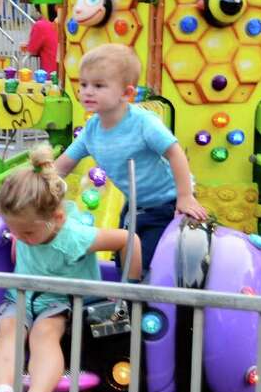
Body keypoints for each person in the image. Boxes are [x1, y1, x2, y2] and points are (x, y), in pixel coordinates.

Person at [0, 145, 141, 392]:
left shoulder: (73, 237)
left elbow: (128, 239)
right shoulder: (29, 223)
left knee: (44, 334)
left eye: (27, 233)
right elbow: (22, 229)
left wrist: (128, 288)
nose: (20, 237)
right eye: (14, 231)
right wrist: (17, 229)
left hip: (61, 302)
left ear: (57, 218)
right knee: (8, 328)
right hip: (22, 296)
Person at [53, 44, 207, 269]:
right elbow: (60, 167)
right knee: (124, 262)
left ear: (126, 93)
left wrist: (185, 196)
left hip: (166, 204)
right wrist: (22, 197)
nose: (87, 91)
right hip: (134, 207)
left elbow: (175, 153)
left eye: (98, 85)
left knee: (147, 262)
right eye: (83, 84)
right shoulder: (91, 130)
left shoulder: (144, 123)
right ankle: (125, 300)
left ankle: (145, 300)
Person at [22, 7, 59, 76]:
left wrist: (26, 47)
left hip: (49, 74)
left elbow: (32, 49)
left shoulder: (40, 25)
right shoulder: (61, 22)